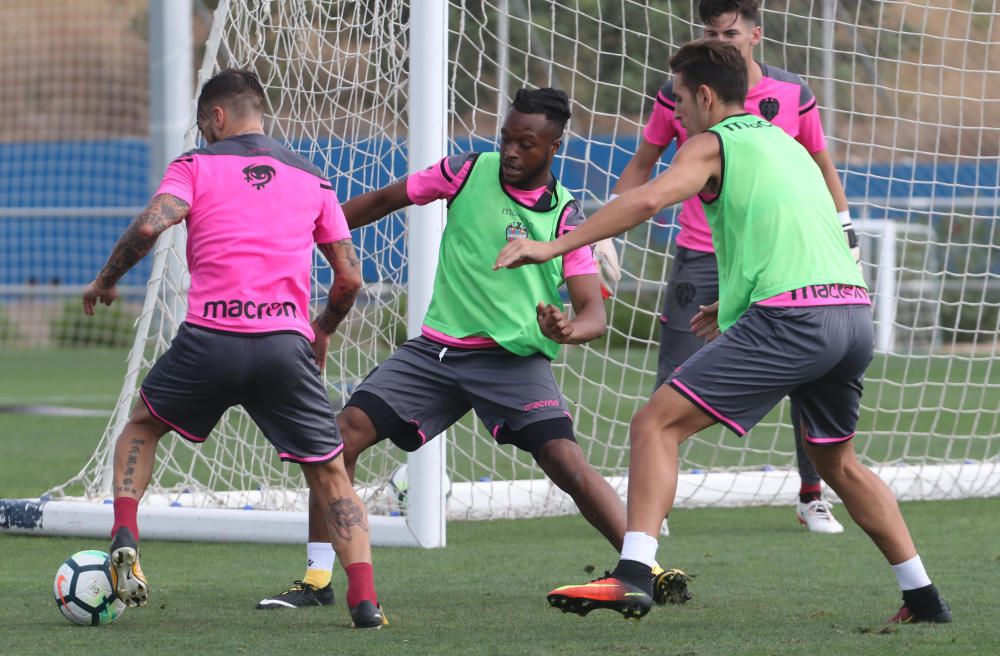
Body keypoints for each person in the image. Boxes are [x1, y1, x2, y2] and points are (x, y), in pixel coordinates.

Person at [495, 41, 951, 625]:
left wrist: (551, 245)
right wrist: (732, 307)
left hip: (793, 321)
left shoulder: (710, 143)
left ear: (706, 96)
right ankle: (923, 597)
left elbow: (653, 198)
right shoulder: (783, 143)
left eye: (680, 98)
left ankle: (633, 575)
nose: (675, 109)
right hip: (850, 315)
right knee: (839, 464)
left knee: (653, 423)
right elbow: (786, 236)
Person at [256, 87, 691, 611]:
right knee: (340, 437)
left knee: (565, 460)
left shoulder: (567, 219)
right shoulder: (464, 171)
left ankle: (647, 570)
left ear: (553, 147)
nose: (509, 151)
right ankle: (318, 579)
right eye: (506, 138)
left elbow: (592, 314)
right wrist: (312, 230)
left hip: (513, 362)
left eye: (525, 143)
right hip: (435, 355)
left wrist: (565, 329)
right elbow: (385, 199)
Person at [82, 69, 387, 629]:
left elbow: (151, 228)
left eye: (203, 125)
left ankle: (125, 534)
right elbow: (349, 278)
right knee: (329, 473)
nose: (201, 134)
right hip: (283, 349)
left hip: (209, 341)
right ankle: (364, 600)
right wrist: (320, 329)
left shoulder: (194, 166)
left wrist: (106, 279)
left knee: (143, 425)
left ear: (216, 118)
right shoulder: (313, 179)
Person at [594, 0, 856, 533]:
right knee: (674, 371)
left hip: (773, 258)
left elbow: (818, 164)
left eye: (731, 32)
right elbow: (644, 166)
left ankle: (811, 494)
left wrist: (844, 231)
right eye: (712, 31)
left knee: (804, 372)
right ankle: (653, 507)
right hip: (702, 250)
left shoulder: (791, 94)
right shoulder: (679, 89)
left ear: (755, 34)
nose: (723, 40)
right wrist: (604, 237)